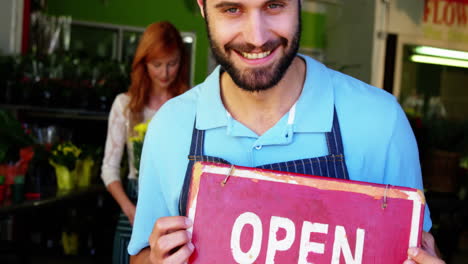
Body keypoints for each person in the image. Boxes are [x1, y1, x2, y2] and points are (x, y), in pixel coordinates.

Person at [129, 1, 445, 263]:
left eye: (274, 5)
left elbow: (420, 248)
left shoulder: (380, 122)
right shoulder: (169, 127)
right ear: (202, 6)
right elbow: (141, 254)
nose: (256, 37)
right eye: (231, 9)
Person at [100, 21, 188, 264]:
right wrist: (130, 209)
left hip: (177, 211)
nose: (165, 73)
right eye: (156, 65)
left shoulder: (189, 106)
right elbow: (109, 170)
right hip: (132, 205)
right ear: (143, 64)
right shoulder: (125, 106)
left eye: (172, 64)